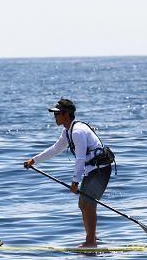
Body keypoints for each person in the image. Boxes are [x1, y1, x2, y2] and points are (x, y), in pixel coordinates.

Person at [23, 98, 112, 248]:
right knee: (83, 204)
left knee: (88, 204)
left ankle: (91, 242)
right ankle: (93, 237)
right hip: (92, 170)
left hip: (101, 169)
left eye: (57, 114)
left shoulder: (77, 131)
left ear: (66, 114)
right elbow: (55, 149)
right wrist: (34, 160)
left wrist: (75, 182)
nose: (55, 117)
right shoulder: (67, 131)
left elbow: (80, 159)